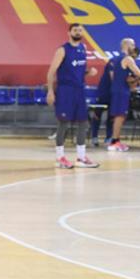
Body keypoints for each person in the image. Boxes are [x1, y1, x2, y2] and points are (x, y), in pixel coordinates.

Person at [46, 23, 100, 170]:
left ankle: (81, 157)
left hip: (79, 90)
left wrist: (89, 72)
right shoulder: (62, 50)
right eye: (75, 30)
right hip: (65, 90)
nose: (78, 32)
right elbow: (51, 72)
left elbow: (78, 71)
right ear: (69, 33)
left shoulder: (83, 48)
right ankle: (60, 158)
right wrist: (50, 91)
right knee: (63, 123)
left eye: (80, 30)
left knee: (83, 121)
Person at [107, 39, 140, 152]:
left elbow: (121, 76)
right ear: (127, 45)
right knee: (120, 116)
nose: (134, 47)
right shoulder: (128, 58)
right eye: (133, 45)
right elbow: (138, 72)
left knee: (119, 116)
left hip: (118, 89)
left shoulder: (116, 59)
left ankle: (115, 140)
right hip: (121, 90)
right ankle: (114, 142)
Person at [90, 52, 116, 146]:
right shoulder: (112, 62)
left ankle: (109, 137)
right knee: (97, 115)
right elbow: (113, 77)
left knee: (111, 116)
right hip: (103, 92)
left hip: (114, 94)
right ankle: (94, 137)